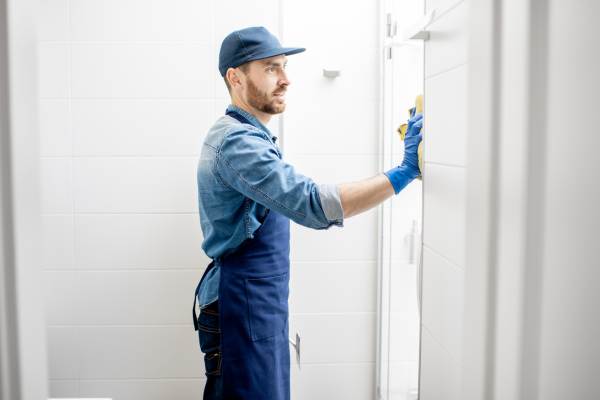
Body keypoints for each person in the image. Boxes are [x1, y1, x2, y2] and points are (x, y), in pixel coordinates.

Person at [192, 26, 423, 400]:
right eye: (270, 68)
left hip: (255, 302)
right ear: (235, 78)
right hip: (241, 305)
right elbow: (314, 205)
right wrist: (404, 172)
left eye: (283, 67)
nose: (285, 80)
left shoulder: (248, 135)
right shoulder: (237, 142)